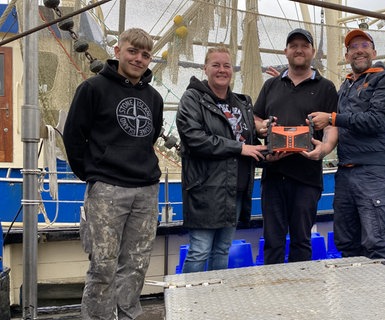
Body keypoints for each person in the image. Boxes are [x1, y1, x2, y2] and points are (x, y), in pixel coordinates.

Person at [62, 28, 163, 319]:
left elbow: (150, 135)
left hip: (145, 190)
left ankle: (129, 312)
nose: (138, 59)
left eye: (145, 54)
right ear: (117, 51)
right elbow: (73, 136)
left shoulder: (154, 99)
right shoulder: (93, 89)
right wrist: (93, 174)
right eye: (133, 51)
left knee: (136, 264)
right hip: (107, 189)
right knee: (103, 266)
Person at [308, 29, 385, 266]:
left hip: (372, 173)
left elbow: (376, 120)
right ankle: (356, 299)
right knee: (347, 242)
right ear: (347, 55)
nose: (359, 50)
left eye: (364, 44)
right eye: (353, 47)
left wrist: (332, 118)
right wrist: (324, 144)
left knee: (376, 242)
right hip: (345, 173)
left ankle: (379, 302)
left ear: (374, 51)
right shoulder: (346, 86)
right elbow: (339, 127)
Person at [176, 46, 266, 273]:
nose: (221, 70)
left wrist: (268, 146)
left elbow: (249, 143)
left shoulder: (242, 103)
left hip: (234, 189)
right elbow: (194, 138)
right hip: (205, 188)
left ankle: (215, 299)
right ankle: (189, 302)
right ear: (205, 68)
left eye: (226, 65)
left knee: (223, 249)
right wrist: (239, 148)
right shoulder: (192, 98)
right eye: (215, 65)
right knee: (200, 249)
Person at [254, 28, 338, 265]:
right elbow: (256, 118)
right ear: (286, 51)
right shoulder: (271, 85)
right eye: (294, 46)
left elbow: (332, 126)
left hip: (307, 178)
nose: (299, 50)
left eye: (304, 45)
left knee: (302, 240)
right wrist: (262, 128)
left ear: (312, 51)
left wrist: (324, 149)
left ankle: (302, 296)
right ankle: (275, 297)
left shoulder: (326, 87)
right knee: (272, 240)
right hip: (273, 175)